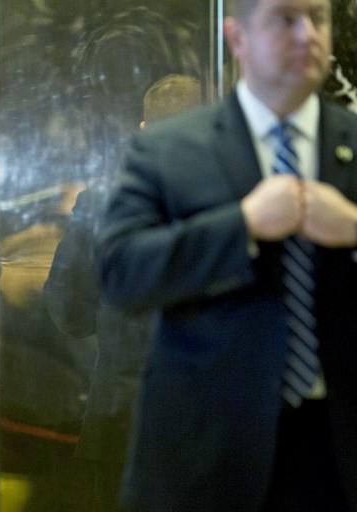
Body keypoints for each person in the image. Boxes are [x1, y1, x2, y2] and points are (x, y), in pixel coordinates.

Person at [98, 0, 357, 510]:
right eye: (285, 19)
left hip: (341, 453)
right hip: (207, 452)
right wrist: (242, 226)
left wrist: (353, 227)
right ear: (237, 38)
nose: (307, 35)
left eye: (319, 19)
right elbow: (121, 272)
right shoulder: (170, 149)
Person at [44, 74, 202, 511]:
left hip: (121, 411)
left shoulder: (101, 203)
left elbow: (67, 307)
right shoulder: (238, 201)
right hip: (209, 411)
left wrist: (113, 328)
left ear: (144, 129)